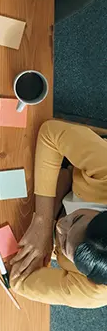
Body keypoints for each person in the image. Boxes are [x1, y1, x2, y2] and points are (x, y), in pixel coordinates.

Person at [10, 119, 107, 307]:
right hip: (90, 165)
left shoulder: (93, 293)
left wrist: (50, 210)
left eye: (64, 244)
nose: (60, 226)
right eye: (77, 219)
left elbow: (20, 282)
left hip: (70, 184)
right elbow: (50, 133)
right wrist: (44, 221)